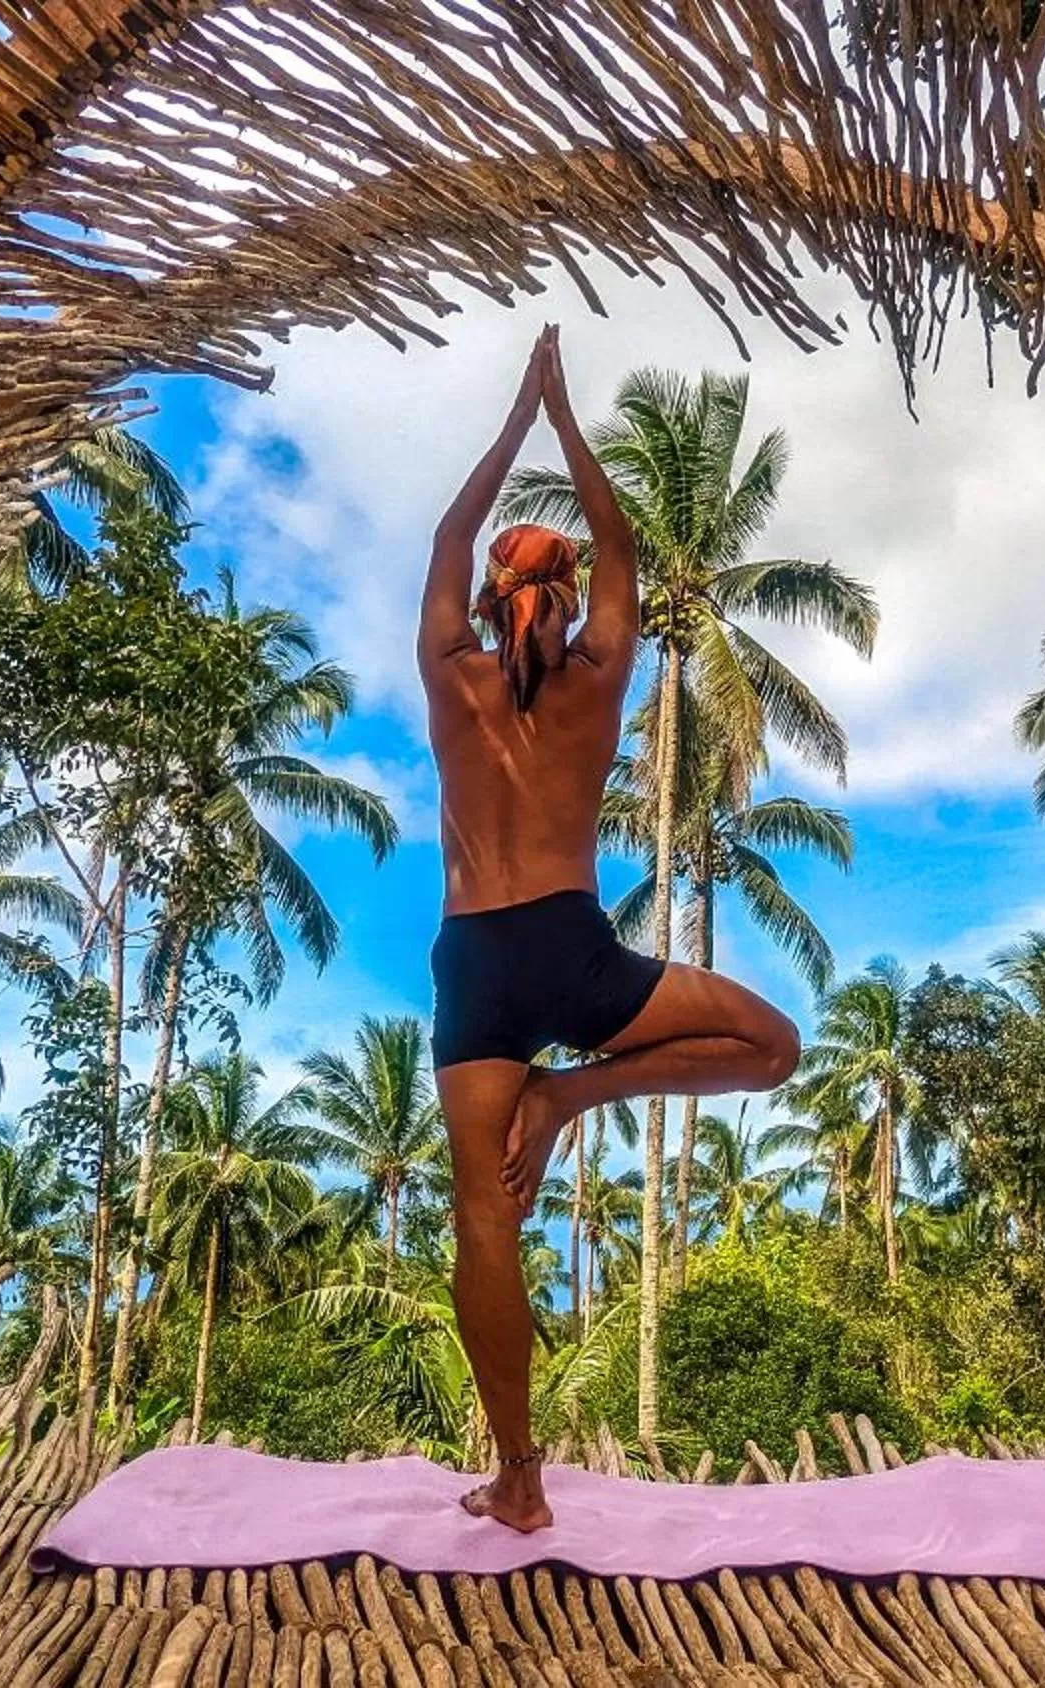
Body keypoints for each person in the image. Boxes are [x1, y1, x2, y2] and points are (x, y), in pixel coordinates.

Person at [418, 326, 801, 1532]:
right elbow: (624, 542)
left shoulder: (449, 671)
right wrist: (566, 419)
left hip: (476, 961)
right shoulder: (597, 676)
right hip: (576, 952)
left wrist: (513, 424)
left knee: (485, 1219)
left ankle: (519, 1476)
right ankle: (574, 1096)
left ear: (490, 600)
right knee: (774, 1045)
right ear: (571, 598)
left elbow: (446, 537)